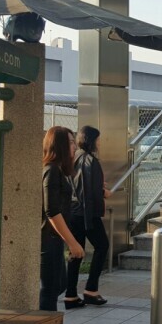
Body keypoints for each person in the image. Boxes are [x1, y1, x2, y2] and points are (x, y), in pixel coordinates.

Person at [40, 126, 84, 324]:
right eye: (69, 141)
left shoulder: (59, 171)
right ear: (57, 144)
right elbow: (52, 211)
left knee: (59, 285)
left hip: (55, 240)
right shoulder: (51, 171)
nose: (74, 146)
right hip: (49, 241)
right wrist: (73, 242)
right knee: (49, 291)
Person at [65, 126, 111, 309]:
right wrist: (103, 194)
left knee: (76, 252)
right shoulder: (90, 160)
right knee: (102, 246)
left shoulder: (74, 157)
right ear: (91, 140)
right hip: (87, 213)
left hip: (73, 211)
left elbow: (79, 185)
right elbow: (89, 191)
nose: (100, 143)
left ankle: (70, 295)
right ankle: (91, 290)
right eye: (98, 139)